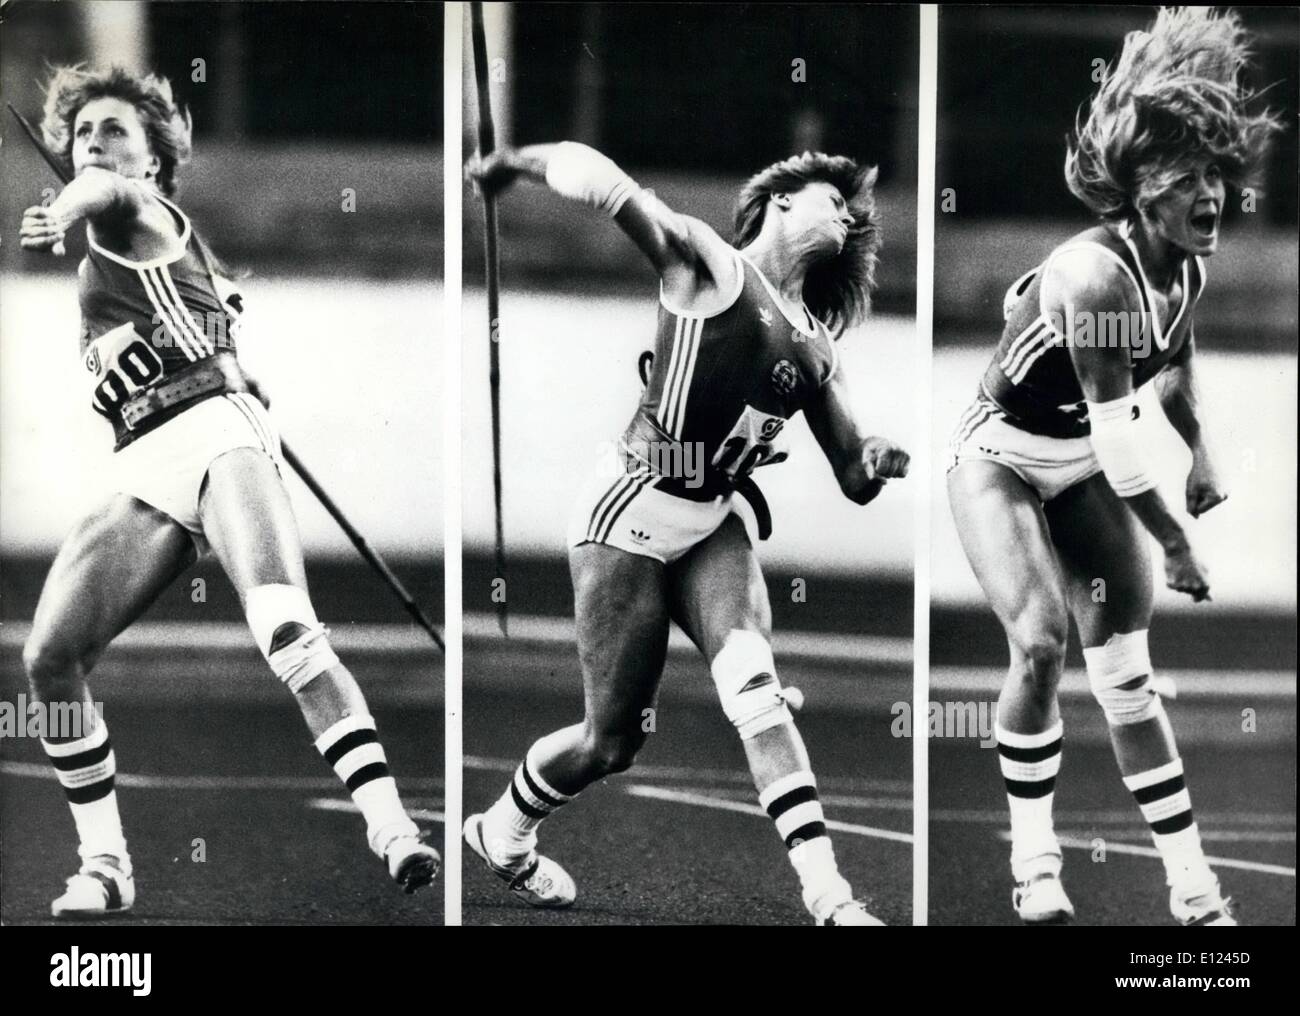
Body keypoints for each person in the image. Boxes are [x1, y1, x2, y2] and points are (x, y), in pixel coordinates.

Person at [16, 65, 439, 918]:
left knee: (283, 626)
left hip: (215, 439)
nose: (91, 145)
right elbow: (225, 341)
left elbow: (99, 193)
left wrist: (63, 206)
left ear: (152, 163)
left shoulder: (133, 209)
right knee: (50, 659)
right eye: (81, 133)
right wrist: (243, 367)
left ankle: (390, 825)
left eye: (114, 132)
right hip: (146, 458)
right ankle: (105, 864)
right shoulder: (167, 249)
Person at [464, 141, 910, 925]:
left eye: (853, 209)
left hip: (714, 522)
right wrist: (514, 164)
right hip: (629, 509)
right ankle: (504, 830)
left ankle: (830, 898)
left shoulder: (815, 344)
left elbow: (852, 474)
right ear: (777, 202)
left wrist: (875, 458)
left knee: (755, 691)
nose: (846, 212)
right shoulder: (710, 265)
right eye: (828, 197)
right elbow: (607, 184)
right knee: (609, 744)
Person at [946, 7, 1280, 925]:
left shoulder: (1186, 267)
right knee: (1043, 638)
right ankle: (1035, 864)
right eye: (1183, 179)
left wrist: (1203, 449)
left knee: (1127, 673)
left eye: (1214, 173)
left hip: (1087, 460)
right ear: (1138, 192)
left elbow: (1169, 367)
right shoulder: (1094, 278)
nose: (1208, 194)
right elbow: (1123, 438)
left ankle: (1191, 885)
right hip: (1003, 457)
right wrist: (1175, 541)